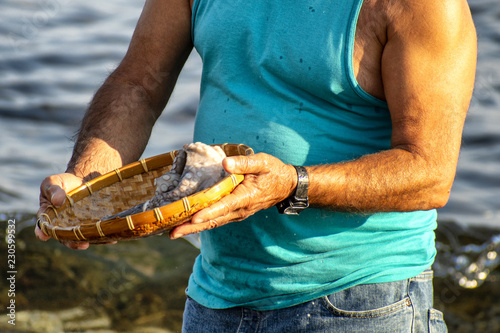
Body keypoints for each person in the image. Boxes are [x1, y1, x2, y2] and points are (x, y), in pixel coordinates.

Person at [36, 0, 477, 331]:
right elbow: (138, 82)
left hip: (359, 302)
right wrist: (88, 184)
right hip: (215, 295)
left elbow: (429, 171)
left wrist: (292, 184)